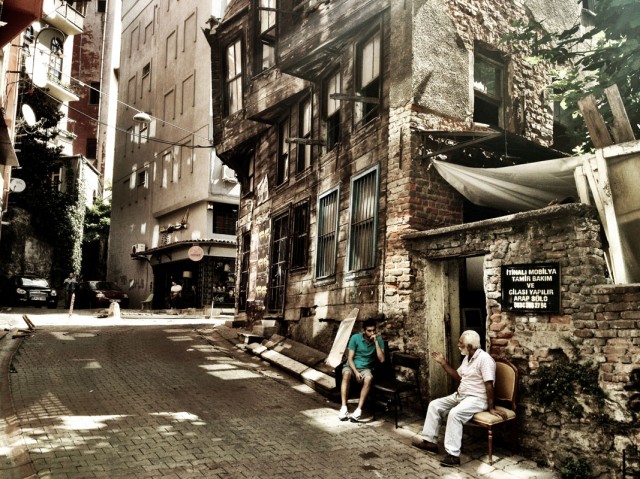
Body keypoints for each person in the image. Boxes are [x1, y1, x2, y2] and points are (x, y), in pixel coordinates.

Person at [412, 330, 507, 467]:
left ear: (469, 346)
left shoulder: (485, 359)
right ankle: (430, 442)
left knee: (454, 414)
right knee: (434, 405)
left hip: (477, 398)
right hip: (461, 395)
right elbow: (458, 377)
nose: (458, 346)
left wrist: (491, 407)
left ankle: (453, 456)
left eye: (461, 344)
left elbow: (489, 384)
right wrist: (443, 363)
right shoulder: (467, 358)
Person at [338, 318, 385, 423]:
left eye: (374, 330)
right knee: (346, 374)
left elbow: (382, 359)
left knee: (369, 378)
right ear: (364, 330)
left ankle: (359, 410)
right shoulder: (355, 338)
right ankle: (344, 407)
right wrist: (356, 372)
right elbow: (350, 358)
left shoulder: (378, 340)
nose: (372, 333)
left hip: (366, 368)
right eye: (369, 331)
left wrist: (376, 342)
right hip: (352, 366)